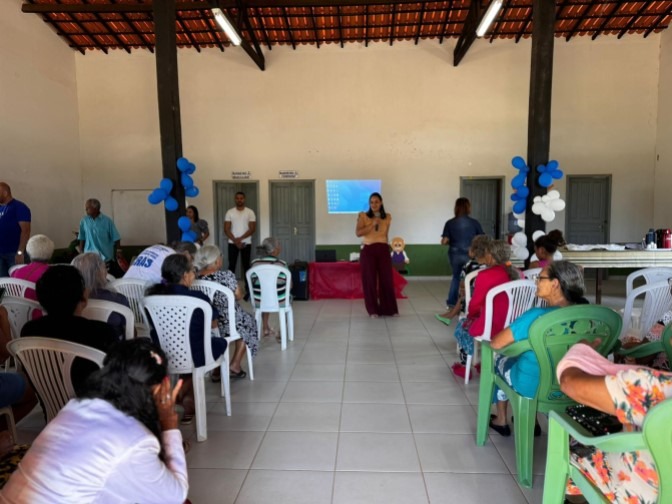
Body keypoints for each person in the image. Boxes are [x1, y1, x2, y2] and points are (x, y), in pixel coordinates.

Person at [0, 339, 189, 503]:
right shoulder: (137, 441)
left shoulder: (75, 406)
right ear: (159, 390)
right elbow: (175, 497)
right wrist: (169, 425)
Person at [558, 344, 672, 503]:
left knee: (570, 454)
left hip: (638, 491)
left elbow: (568, 382)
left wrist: (579, 349)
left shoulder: (655, 387)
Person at [489, 261, 587, 436]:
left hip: (532, 386)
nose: (536, 282)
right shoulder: (589, 315)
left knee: (499, 359)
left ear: (555, 283)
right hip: (573, 383)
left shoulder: (537, 316)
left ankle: (501, 419)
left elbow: (496, 343)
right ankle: (531, 421)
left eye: (540, 278)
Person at [145, 254, 227, 421]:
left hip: (163, 353)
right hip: (195, 354)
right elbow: (213, 323)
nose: (194, 275)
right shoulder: (198, 298)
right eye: (192, 271)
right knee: (218, 343)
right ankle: (181, 393)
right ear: (184, 275)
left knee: (189, 348)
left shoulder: (151, 297)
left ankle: (187, 399)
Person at [20, 265, 118, 393]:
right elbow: (116, 377)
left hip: (50, 400)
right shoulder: (103, 333)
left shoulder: (29, 331)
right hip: (93, 402)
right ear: (83, 298)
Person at [451, 239, 520, 378]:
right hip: (513, 325)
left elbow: (475, 305)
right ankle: (487, 363)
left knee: (462, 327)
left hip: (493, 325)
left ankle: (465, 367)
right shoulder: (517, 273)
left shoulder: (485, 275)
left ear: (491, 256)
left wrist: (470, 316)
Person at [194, 245, 258, 378]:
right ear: (217, 261)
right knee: (249, 322)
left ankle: (216, 369)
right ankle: (235, 365)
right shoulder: (226, 276)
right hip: (228, 324)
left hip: (204, 324)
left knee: (242, 320)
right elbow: (239, 296)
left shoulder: (194, 278)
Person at [71, 252, 132, 341]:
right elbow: (130, 332)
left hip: (82, 346)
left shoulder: (71, 300)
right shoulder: (119, 299)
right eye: (105, 267)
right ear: (100, 273)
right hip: (113, 347)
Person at [355, 192, 398, 318]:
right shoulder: (363, 216)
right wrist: (372, 224)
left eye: (376, 202)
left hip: (383, 249)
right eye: (371, 202)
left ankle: (389, 309)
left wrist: (388, 249)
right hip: (368, 250)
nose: (374, 204)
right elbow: (358, 233)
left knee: (387, 280)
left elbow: (386, 234)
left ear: (381, 202)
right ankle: (372, 310)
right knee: (370, 280)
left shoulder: (387, 217)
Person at [435, 234, 490, 324]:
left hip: (473, 297)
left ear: (473, 250)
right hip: (488, 296)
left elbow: (462, 284)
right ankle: (451, 314)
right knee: (466, 292)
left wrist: (463, 289)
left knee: (464, 292)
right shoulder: (490, 265)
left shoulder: (470, 265)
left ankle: (452, 314)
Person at [441, 197, 484, 309]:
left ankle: (452, 303)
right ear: (468, 207)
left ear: (456, 207)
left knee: (456, 277)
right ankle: (470, 303)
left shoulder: (449, 223)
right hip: (470, 253)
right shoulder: (474, 222)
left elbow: (444, 241)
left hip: (454, 253)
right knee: (471, 278)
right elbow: (481, 238)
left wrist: (451, 240)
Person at [249, 237, 289, 338]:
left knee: (265, 293)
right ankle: (281, 331)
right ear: (275, 250)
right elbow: (290, 284)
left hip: (259, 300)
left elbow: (253, 281)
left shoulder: (255, 263)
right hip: (279, 301)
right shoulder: (282, 264)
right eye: (279, 245)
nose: (280, 247)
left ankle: (265, 328)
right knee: (288, 297)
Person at [78, 198, 123, 278]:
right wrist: (81, 252)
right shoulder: (84, 221)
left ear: (95, 208)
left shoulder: (107, 221)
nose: (86, 210)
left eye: (88, 208)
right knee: (92, 278)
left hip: (105, 256)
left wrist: (118, 251)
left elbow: (116, 237)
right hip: (90, 256)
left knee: (106, 278)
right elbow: (82, 237)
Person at [10, 234, 54, 300]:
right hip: (41, 306)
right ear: (51, 253)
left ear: (28, 251)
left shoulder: (16, 272)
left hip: (17, 306)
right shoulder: (54, 275)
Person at [0, 183, 31, 278]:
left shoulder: (19, 207)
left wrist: (20, 252)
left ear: (5, 193)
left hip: (14, 254)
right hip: (1, 253)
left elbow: (26, 231)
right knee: (3, 283)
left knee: (17, 281)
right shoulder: (1, 208)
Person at [224, 192, 256, 279]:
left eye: (241, 198)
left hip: (246, 243)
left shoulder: (250, 212)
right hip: (232, 243)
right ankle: (230, 286)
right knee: (231, 265)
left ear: (244, 199)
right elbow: (226, 229)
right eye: (237, 198)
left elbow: (252, 229)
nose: (239, 200)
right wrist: (235, 241)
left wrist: (240, 239)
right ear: (235, 199)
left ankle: (248, 286)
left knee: (246, 265)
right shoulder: (230, 212)